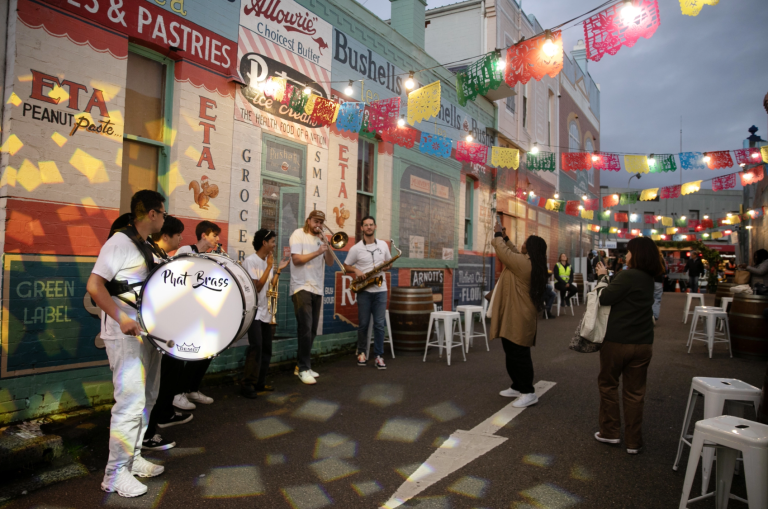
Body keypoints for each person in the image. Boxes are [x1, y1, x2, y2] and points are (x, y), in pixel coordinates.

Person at [87, 190, 167, 497]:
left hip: (146, 333)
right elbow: (95, 286)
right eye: (163, 213)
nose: (164, 218)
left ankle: (132, 459)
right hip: (124, 333)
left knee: (146, 400)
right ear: (151, 213)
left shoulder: (146, 246)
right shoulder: (119, 242)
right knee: (130, 403)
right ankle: (114, 473)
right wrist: (121, 318)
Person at [594, 237, 664, 455]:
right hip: (643, 342)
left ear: (638, 253)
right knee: (635, 392)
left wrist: (603, 278)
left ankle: (610, 432)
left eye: (630, 251)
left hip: (617, 341)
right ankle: (634, 441)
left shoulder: (629, 275)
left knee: (609, 385)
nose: (627, 255)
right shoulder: (648, 278)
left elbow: (604, 298)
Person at [142, 216, 192, 451]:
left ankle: (156, 423)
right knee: (149, 387)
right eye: (178, 234)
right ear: (165, 236)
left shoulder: (161, 256)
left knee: (158, 384)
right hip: (155, 332)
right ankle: (146, 435)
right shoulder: (150, 256)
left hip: (164, 331)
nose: (181, 239)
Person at [490, 222, 548, 408]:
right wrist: (506, 238)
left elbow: (505, 253)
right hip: (515, 312)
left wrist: (498, 235)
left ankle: (528, 392)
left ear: (530, 248)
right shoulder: (529, 261)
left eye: (526, 242)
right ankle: (517, 385)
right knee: (511, 350)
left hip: (519, 315)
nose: (522, 243)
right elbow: (514, 251)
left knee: (519, 354)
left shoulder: (524, 264)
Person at [172, 220, 221, 410]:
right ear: (204, 235)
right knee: (183, 353)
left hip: (201, 311)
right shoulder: (186, 250)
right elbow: (176, 277)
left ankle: (192, 388)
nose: (217, 239)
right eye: (214, 235)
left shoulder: (211, 257)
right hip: (184, 310)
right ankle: (177, 393)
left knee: (206, 350)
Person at [241, 229, 290, 398]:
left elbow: (270, 286)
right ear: (264, 242)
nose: (274, 245)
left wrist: (278, 270)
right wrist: (269, 266)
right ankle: (248, 384)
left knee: (266, 348)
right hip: (254, 312)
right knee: (256, 347)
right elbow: (257, 287)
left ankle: (260, 382)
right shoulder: (251, 261)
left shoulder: (266, 261)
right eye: (272, 242)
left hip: (266, 312)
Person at [290, 210, 334, 385]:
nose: (319, 225)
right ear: (308, 221)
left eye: (321, 222)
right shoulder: (298, 234)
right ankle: (303, 368)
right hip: (301, 286)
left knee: (313, 329)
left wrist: (327, 246)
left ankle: (302, 366)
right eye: (316, 221)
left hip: (317, 288)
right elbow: (296, 260)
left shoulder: (320, 239)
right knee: (305, 328)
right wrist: (317, 252)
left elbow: (330, 262)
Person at [344, 216, 393, 369]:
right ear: (361, 228)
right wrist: (356, 270)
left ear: (375, 226)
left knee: (379, 324)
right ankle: (362, 353)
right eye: (366, 225)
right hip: (364, 291)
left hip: (380, 290)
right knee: (363, 324)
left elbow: (389, 263)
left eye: (371, 225)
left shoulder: (383, 245)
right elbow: (346, 266)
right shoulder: (356, 248)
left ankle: (379, 355)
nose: (369, 227)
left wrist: (386, 267)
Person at [652, 254, 667, 323]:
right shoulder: (661, 259)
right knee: (657, 299)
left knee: (649, 298)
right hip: (658, 280)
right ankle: (655, 316)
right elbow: (664, 270)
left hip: (650, 280)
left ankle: (650, 316)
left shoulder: (649, 258)